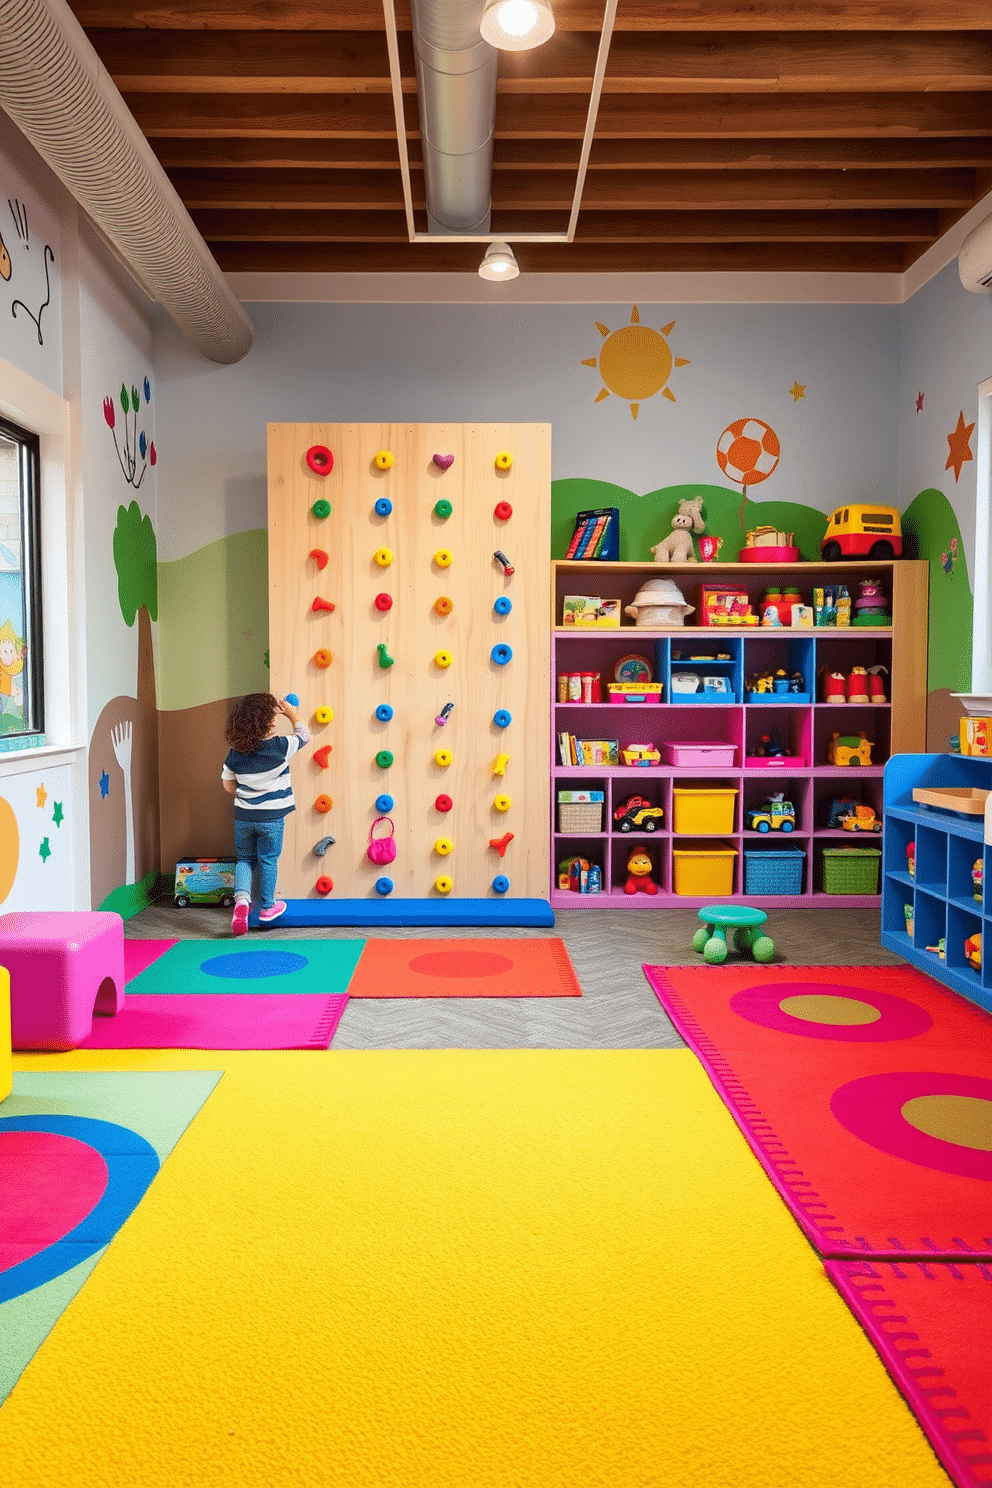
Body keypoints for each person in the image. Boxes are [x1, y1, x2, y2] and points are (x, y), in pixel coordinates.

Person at [221, 693, 309, 935]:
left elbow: (228, 785)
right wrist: (291, 714)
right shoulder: (281, 747)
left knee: (245, 860)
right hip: (272, 819)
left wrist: (245, 793)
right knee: (268, 860)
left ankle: (241, 902)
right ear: (270, 724)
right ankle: (267, 907)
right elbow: (304, 736)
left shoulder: (236, 753)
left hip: (244, 817)